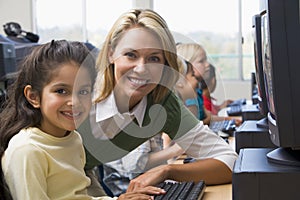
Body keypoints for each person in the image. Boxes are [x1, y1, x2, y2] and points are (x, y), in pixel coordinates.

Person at [78, 8, 238, 194]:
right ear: (111, 54)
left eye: (154, 58)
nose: (141, 68)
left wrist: (168, 171)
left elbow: (230, 161)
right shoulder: (82, 96)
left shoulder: (161, 102)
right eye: (131, 54)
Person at [0, 40, 164, 200]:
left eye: (83, 91)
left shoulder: (72, 137)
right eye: (61, 91)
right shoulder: (27, 151)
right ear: (33, 97)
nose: (75, 102)